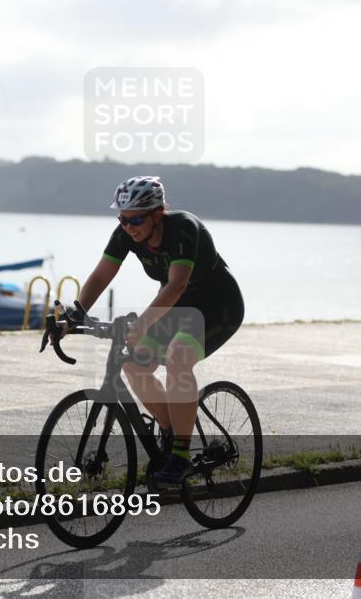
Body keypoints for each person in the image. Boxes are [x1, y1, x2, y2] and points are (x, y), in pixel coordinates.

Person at [71, 176, 245, 483]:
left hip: (218, 305)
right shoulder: (126, 234)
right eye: (122, 219)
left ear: (157, 213)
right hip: (176, 307)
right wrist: (75, 313)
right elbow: (100, 277)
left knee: (179, 357)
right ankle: (169, 431)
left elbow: (177, 284)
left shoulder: (184, 229)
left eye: (136, 219)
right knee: (134, 364)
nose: (128, 227)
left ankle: (180, 454)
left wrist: (143, 323)